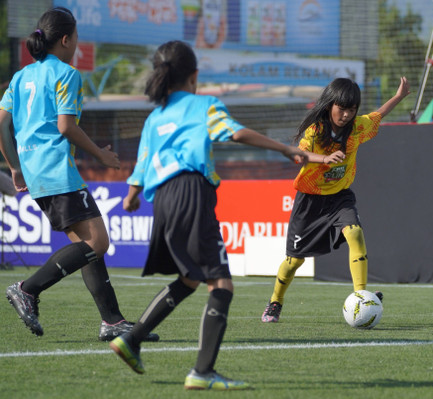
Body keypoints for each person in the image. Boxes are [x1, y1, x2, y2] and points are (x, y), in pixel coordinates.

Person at [109, 40, 306, 390]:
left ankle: (132, 339)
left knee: (190, 278)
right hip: (191, 193)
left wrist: (132, 195)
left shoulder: (156, 117)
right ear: (194, 76)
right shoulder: (204, 105)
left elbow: (142, 162)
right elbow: (235, 132)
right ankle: (202, 372)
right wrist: (285, 148)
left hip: (164, 201)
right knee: (222, 284)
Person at [0, 7, 158, 342]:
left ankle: (112, 322)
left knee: (86, 245)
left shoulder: (21, 77)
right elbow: (66, 126)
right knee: (99, 242)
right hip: (56, 169)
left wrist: (14, 165)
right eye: (77, 37)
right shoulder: (67, 74)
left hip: (33, 170)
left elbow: (1, 123)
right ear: (67, 39)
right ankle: (27, 289)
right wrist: (101, 154)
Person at [261, 76, 410, 323]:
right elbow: (300, 154)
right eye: (342, 108)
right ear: (330, 104)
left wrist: (398, 96)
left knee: (354, 233)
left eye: (352, 109)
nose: (346, 115)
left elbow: (377, 115)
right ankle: (275, 302)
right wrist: (324, 159)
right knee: (294, 260)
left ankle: (361, 295)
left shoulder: (358, 127)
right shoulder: (316, 130)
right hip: (310, 201)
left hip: (340, 197)